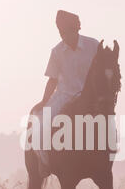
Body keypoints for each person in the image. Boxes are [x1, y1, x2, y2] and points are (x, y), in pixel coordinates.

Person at [31, 10, 99, 177]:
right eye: (60, 31)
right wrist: (44, 101)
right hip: (64, 96)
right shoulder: (56, 51)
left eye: (65, 31)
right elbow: (52, 80)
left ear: (76, 29)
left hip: (90, 96)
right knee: (41, 122)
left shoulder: (93, 45)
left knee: (107, 118)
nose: (62, 35)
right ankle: (45, 162)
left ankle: (110, 150)